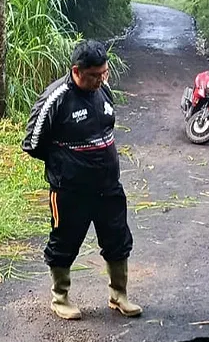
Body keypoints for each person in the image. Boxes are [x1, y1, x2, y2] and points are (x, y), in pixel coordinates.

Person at [21, 40, 142, 320]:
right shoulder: (57, 97)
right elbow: (33, 142)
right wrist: (67, 165)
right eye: (94, 75)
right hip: (70, 191)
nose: (101, 80)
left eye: (104, 73)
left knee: (118, 239)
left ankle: (119, 295)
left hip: (109, 186)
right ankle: (60, 298)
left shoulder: (104, 90)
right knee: (64, 243)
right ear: (77, 71)